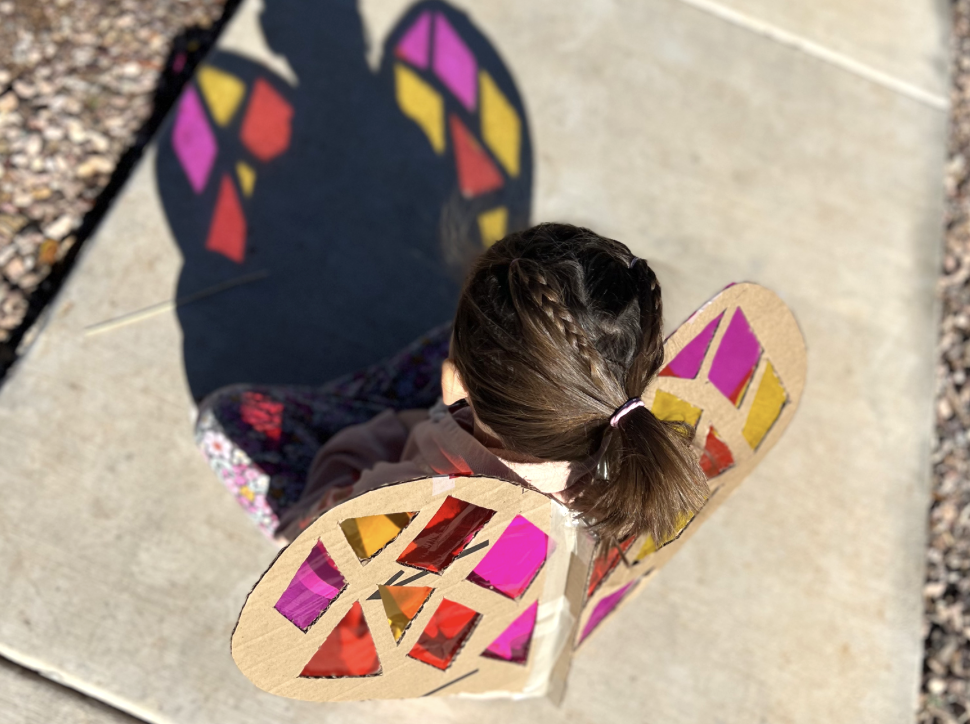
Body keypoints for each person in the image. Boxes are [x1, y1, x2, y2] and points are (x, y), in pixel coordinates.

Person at [266, 223, 710, 546]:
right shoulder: (635, 461)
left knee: (226, 418)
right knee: (476, 334)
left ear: (453, 385)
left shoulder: (401, 495)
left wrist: (376, 437)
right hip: (504, 617)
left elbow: (309, 540)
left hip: (402, 521)